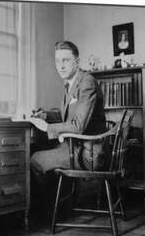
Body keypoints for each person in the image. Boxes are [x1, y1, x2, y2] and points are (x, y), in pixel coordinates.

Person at [30, 40, 107, 176]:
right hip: (74, 146)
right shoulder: (70, 83)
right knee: (33, 147)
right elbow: (66, 116)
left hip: (87, 154)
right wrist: (45, 116)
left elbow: (78, 126)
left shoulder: (86, 82)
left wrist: (47, 128)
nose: (61, 66)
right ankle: (60, 196)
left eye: (65, 60)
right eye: (57, 61)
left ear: (77, 62)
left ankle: (49, 198)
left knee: (35, 159)